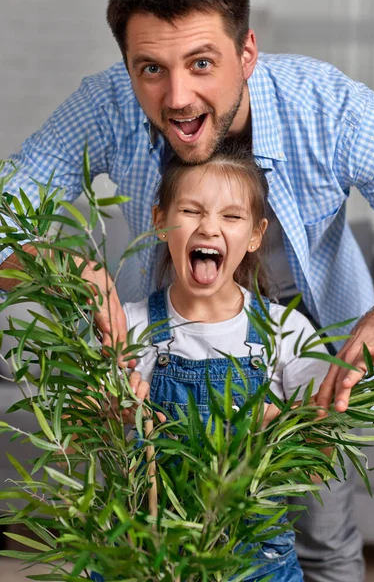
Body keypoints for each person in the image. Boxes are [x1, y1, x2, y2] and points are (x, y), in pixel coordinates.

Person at [3, 0, 374, 579]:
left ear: (247, 53)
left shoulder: (330, 108)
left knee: (320, 536)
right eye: (150, 69)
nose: (178, 97)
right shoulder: (107, 104)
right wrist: (56, 269)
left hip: (315, 332)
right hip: (172, 329)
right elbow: (8, 213)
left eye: (202, 63)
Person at [100, 146, 330, 582]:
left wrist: (281, 427)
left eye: (231, 216)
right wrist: (115, 412)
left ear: (256, 234)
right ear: (159, 221)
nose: (209, 227)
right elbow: (82, 437)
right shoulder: (128, 326)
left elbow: (319, 460)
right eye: (191, 210)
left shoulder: (286, 330)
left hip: (256, 564)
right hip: (148, 558)